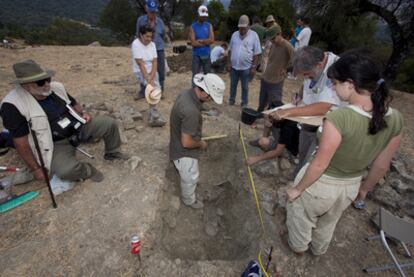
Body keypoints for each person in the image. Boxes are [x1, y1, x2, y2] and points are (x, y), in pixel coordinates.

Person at [284, 51, 403, 256]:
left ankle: (298, 248)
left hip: (320, 185)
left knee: (301, 216)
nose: (332, 87)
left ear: (349, 84)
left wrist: (297, 189)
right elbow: (382, 165)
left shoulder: (339, 118)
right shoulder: (396, 118)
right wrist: (364, 189)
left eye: (334, 83)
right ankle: (318, 249)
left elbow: (320, 164)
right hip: (351, 184)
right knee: (329, 221)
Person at [0, 60, 129, 183]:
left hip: (77, 128)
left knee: (109, 123)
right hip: (54, 144)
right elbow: (20, 143)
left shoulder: (56, 88)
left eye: (48, 79)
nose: (47, 84)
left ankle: (113, 152)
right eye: (40, 82)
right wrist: (36, 169)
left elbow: (73, 103)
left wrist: (83, 114)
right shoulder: (12, 106)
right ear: (26, 86)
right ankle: (87, 170)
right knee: (66, 171)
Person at [270, 46, 342, 176]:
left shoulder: (337, 69)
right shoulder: (314, 61)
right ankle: (298, 171)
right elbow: (308, 82)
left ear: (320, 65)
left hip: (329, 123)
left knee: (314, 156)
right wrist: (300, 94)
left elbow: (323, 106)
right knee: (303, 148)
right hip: (308, 118)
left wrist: (288, 112)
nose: (306, 77)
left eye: (307, 73)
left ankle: (305, 177)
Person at [169, 73, 225, 209]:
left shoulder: (186, 94)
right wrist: (201, 144)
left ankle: (190, 194)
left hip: (177, 138)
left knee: (190, 176)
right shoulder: (191, 111)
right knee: (190, 177)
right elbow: (187, 143)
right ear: (204, 92)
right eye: (210, 96)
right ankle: (189, 200)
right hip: (183, 152)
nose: (210, 99)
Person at [132, 25, 166, 127]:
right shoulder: (136, 44)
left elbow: (155, 61)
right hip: (140, 71)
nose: (149, 39)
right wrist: (148, 79)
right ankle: (153, 116)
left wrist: (152, 75)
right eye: (147, 36)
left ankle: (153, 113)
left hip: (151, 70)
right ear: (141, 35)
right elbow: (140, 63)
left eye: (151, 37)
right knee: (151, 89)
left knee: (157, 89)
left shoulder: (152, 44)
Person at [257, 25, 294, 114]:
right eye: (270, 39)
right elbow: (271, 60)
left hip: (276, 81)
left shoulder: (287, 46)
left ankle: (274, 124)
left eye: (273, 38)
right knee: (262, 102)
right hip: (266, 78)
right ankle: (259, 115)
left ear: (280, 34)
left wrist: (287, 69)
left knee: (274, 106)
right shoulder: (273, 45)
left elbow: (296, 61)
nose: (272, 41)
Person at [248, 102, 299, 166]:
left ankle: (265, 148)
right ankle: (262, 143)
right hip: (281, 139)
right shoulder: (278, 117)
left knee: (263, 142)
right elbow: (268, 119)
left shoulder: (287, 128)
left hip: (288, 150)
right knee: (268, 123)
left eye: (270, 116)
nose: (269, 117)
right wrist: (266, 118)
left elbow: (278, 151)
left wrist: (257, 158)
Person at [228, 15, 262, 107]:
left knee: (245, 87)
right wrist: (229, 63)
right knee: (233, 85)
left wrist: (254, 67)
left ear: (248, 26)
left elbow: (256, 53)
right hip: (234, 66)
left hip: (246, 68)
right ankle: (231, 100)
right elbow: (230, 49)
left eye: (244, 28)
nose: (242, 30)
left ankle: (244, 103)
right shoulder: (234, 34)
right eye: (240, 28)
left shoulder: (254, 35)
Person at [136, 0, 166, 92]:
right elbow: (138, 34)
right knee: (144, 70)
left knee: (160, 71)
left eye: (154, 12)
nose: (153, 14)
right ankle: (143, 90)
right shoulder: (141, 20)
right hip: (145, 49)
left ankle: (160, 90)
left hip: (159, 49)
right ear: (146, 9)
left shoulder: (160, 22)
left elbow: (163, 35)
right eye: (151, 11)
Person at [190, 5, 215, 86]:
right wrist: (206, 42)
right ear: (198, 14)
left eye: (205, 16)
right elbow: (193, 43)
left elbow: (212, 40)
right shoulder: (193, 26)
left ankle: (208, 93)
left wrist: (201, 41)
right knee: (195, 76)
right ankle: (194, 92)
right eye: (202, 16)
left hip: (206, 55)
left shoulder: (209, 25)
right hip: (196, 55)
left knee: (208, 76)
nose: (204, 18)